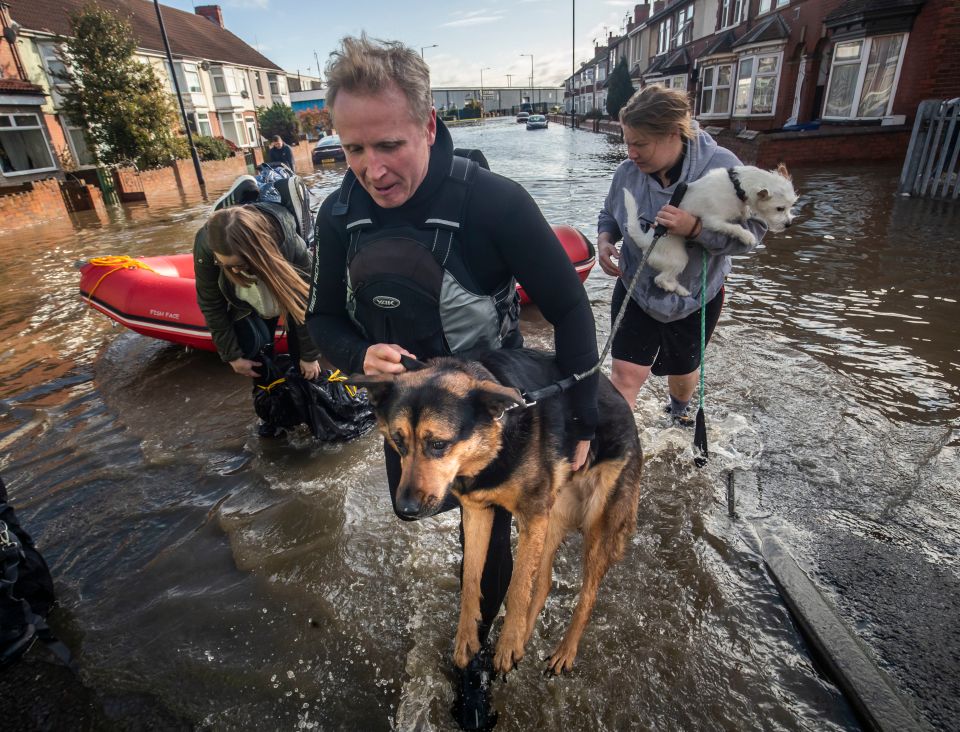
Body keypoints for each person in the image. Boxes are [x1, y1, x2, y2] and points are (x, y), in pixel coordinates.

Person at [305, 35, 598, 725]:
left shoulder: (494, 204)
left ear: (429, 126)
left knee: (488, 519)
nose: (370, 170)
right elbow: (321, 318)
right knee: (424, 506)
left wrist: (582, 421)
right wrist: (356, 356)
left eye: (388, 146)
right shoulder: (338, 214)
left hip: (484, 412)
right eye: (351, 149)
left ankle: (476, 665)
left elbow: (570, 308)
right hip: (408, 412)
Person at [597, 86, 767, 425]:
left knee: (683, 371)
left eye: (640, 144)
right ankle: (616, 450)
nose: (630, 153)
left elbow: (754, 236)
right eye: (626, 142)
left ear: (673, 134)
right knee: (625, 377)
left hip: (695, 296)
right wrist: (605, 239)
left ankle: (678, 414)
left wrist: (695, 229)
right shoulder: (626, 173)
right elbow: (610, 214)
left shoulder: (726, 171)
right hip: (636, 290)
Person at [194, 202, 322, 437]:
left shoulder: (288, 244)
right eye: (225, 265)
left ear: (256, 254)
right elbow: (211, 303)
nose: (233, 270)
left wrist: (309, 355)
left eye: (238, 265)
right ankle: (276, 419)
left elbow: (308, 299)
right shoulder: (206, 245)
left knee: (304, 361)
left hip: (280, 281)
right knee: (256, 354)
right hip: (244, 302)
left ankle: (311, 414)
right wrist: (231, 354)